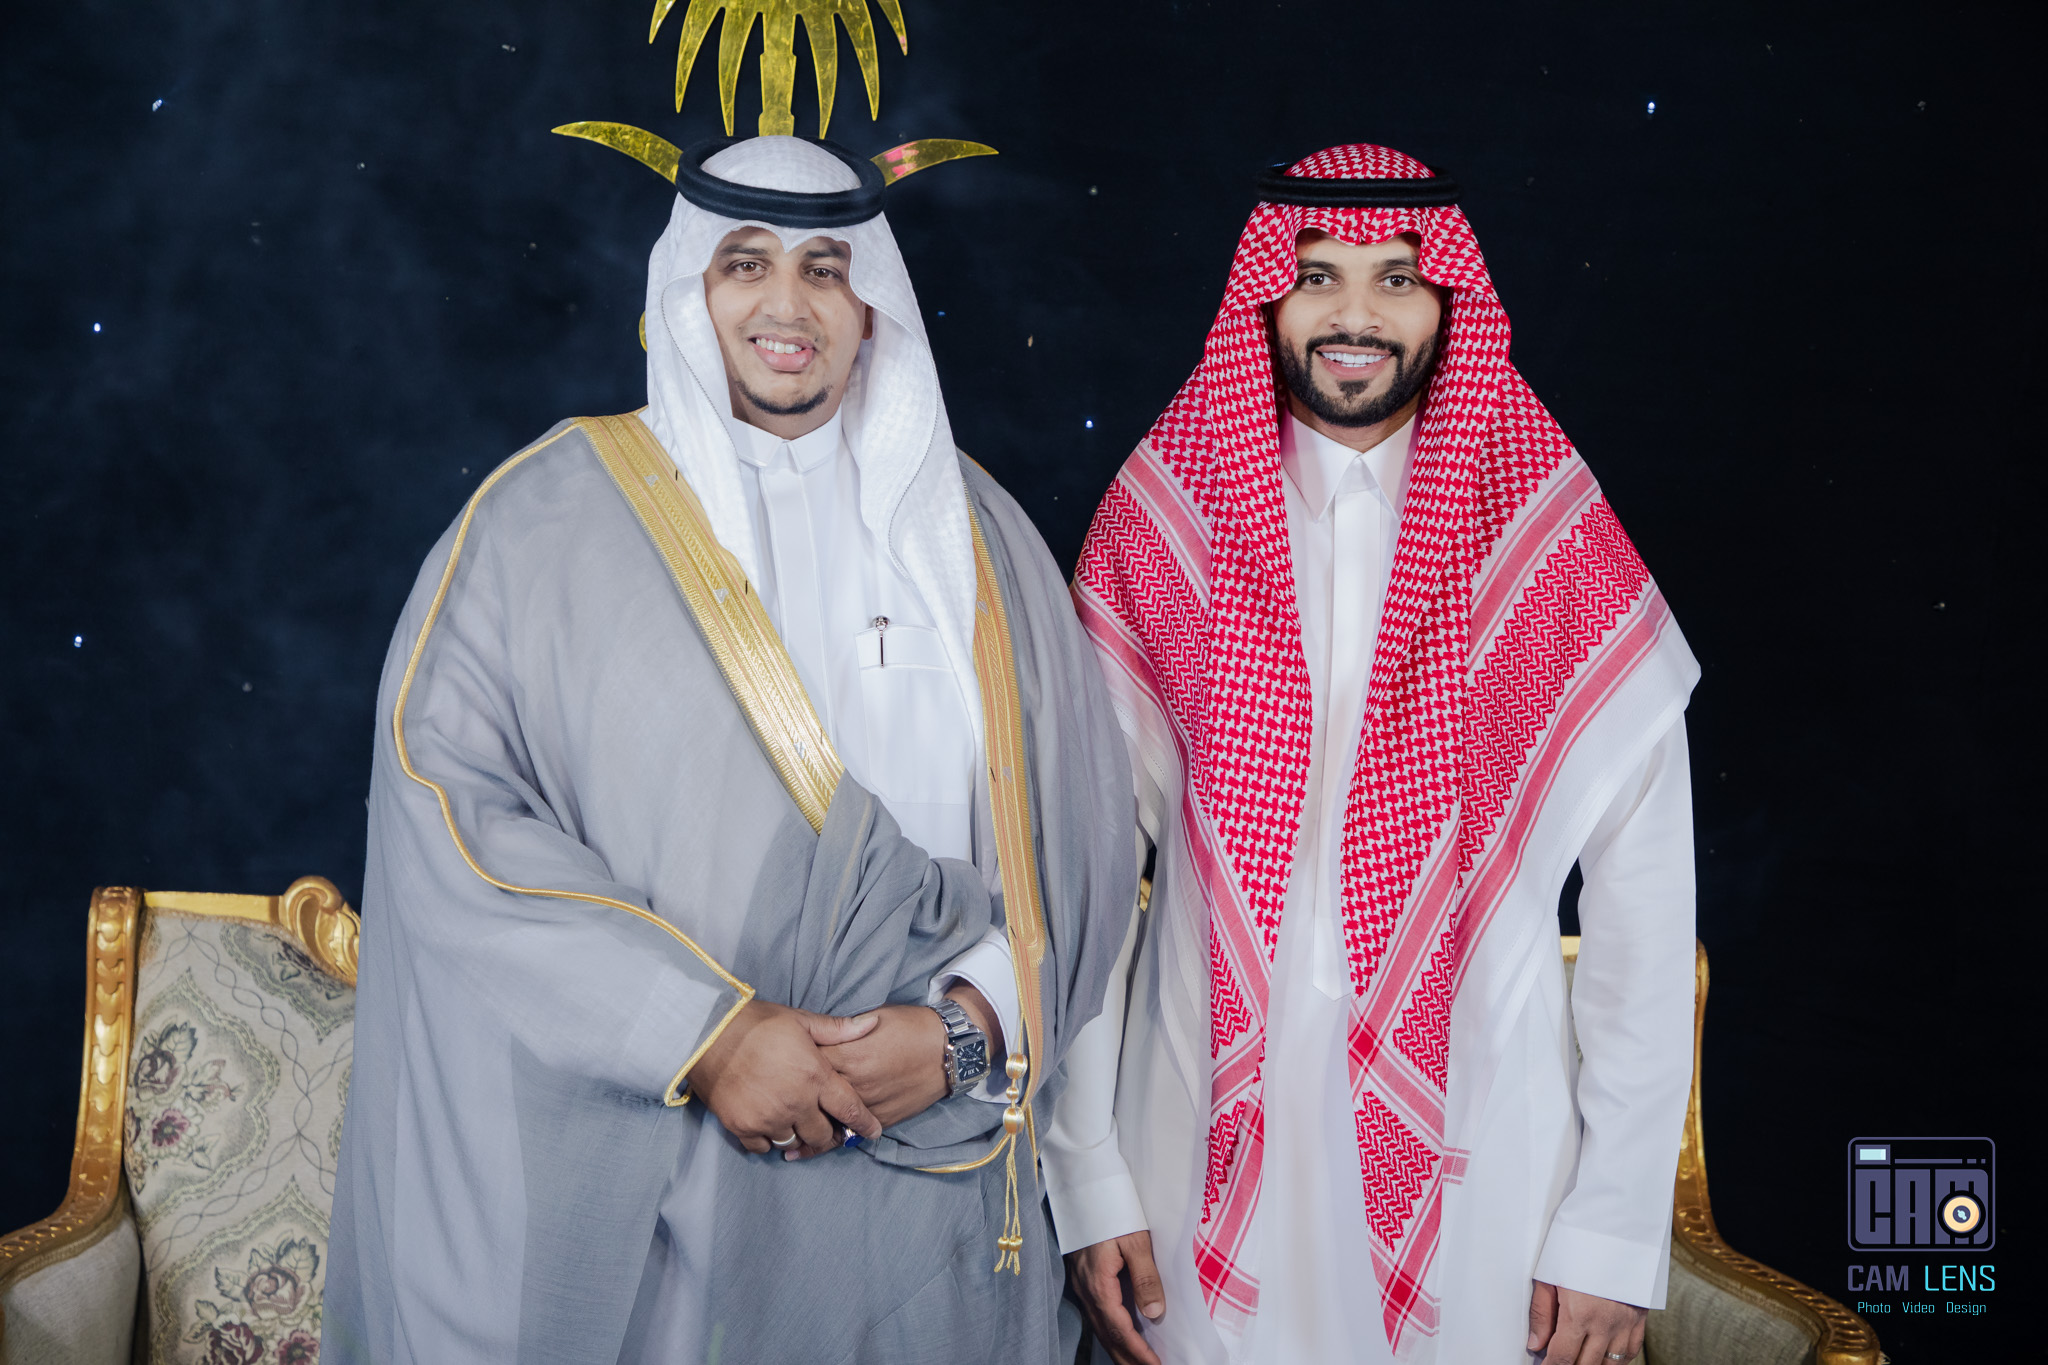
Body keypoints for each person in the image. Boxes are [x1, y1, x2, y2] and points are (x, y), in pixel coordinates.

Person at [324, 135, 1135, 1365]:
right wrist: (703, 1036)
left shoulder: (981, 543)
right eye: (744, 264)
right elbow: (452, 819)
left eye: (824, 269)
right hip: (674, 1186)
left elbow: (1075, 848)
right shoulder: (542, 526)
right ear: (685, 289)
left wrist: (968, 1027)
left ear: (872, 301)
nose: (785, 306)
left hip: (935, 1181)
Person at [1049, 144, 1700, 1365]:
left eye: (1396, 279)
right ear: (1266, 296)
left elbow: (1645, 905)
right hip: (1193, 1140)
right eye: (1317, 276)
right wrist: (1087, 1175)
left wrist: (1611, 1227)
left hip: (1484, 1160)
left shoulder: (1544, 536)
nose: (1354, 316)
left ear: (1448, 300)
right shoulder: (1163, 522)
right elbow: (1076, 881)